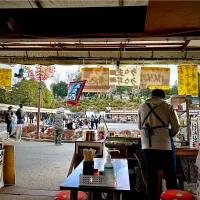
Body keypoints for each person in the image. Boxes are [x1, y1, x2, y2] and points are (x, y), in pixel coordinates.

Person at [138, 89, 180, 200]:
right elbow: (176, 127)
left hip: (147, 146)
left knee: (151, 177)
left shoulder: (142, 107)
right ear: (163, 97)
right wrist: (169, 133)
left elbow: (139, 126)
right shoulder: (168, 107)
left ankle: (152, 197)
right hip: (165, 146)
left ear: (151, 96)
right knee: (170, 176)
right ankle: (173, 197)